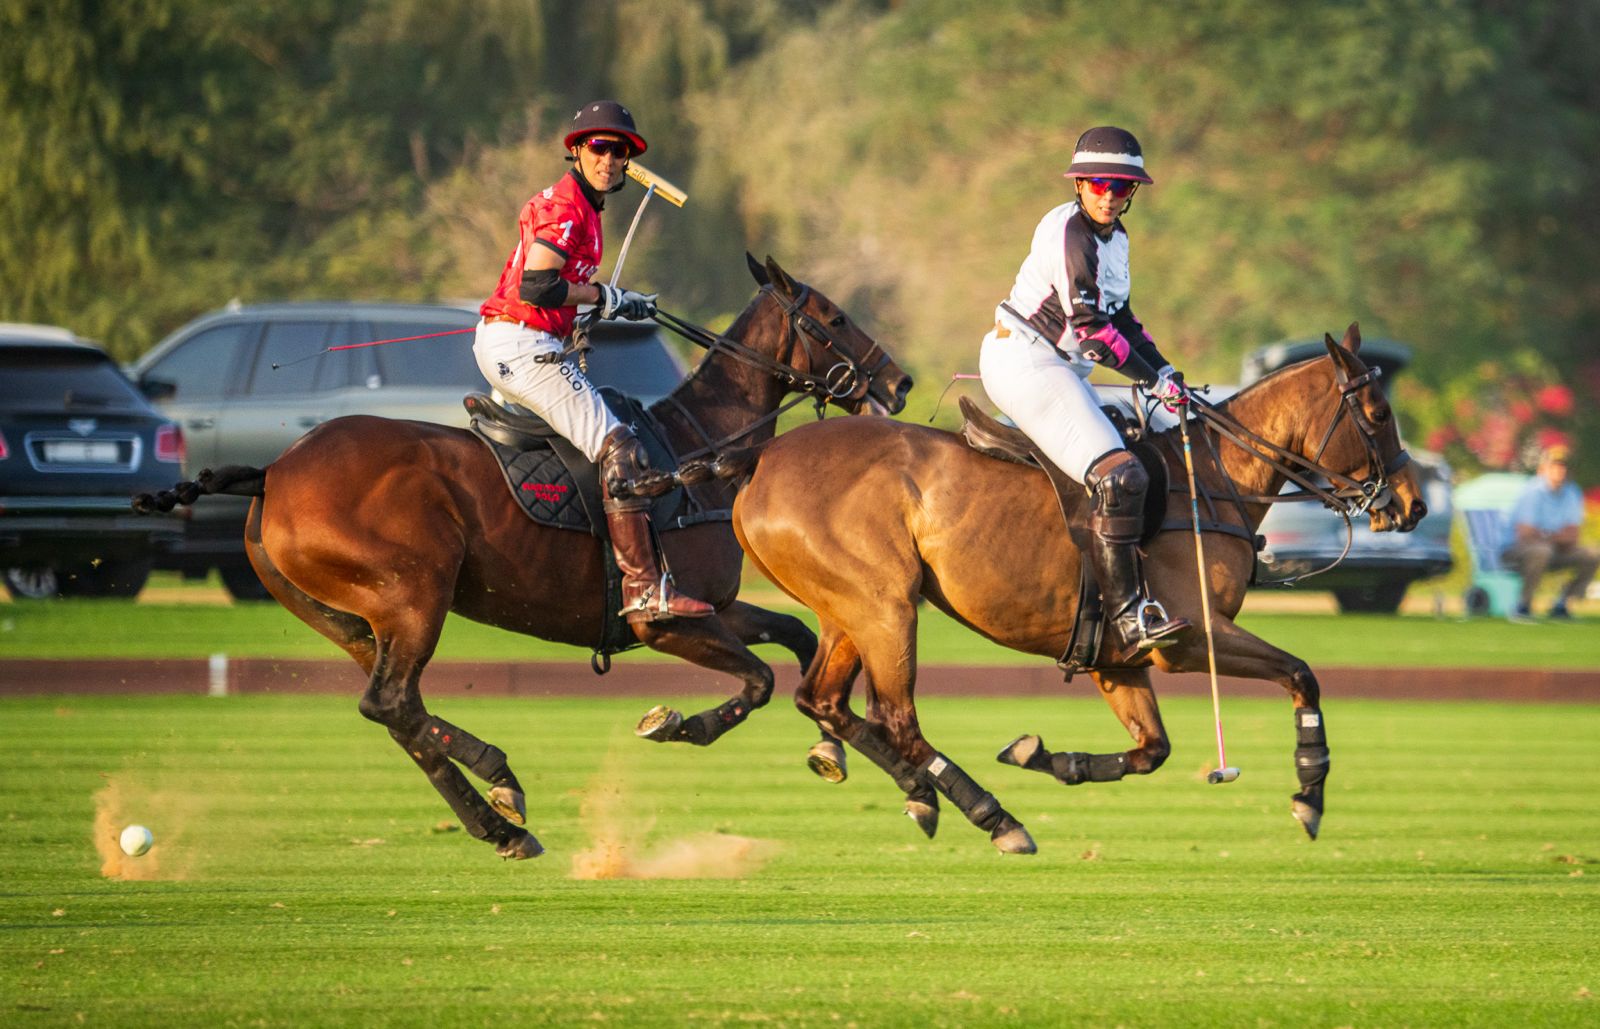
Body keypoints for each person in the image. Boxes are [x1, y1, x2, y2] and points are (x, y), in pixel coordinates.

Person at [474, 100, 713, 623]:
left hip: (526, 340)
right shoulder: (566, 207)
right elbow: (538, 285)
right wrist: (606, 298)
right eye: (600, 147)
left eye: (620, 151)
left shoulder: (585, 208)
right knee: (620, 448)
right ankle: (643, 588)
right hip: (521, 343)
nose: (609, 159)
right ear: (578, 150)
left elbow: (552, 290)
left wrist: (596, 309)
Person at [978, 125, 1191, 661]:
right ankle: (1129, 617)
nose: (1109, 196)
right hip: (1027, 359)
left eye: (1122, 187)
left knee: (1146, 443)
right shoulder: (1071, 234)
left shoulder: (1115, 239)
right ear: (1079, 185)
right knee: (1121, 474)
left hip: (1059, 366)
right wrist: (1150, 379)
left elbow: (1123, 319)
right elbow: (1096, 337)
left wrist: (1166, 370)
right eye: (1098, 183)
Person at [1502, 444, 1597, 620]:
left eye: (1563, 466)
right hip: (1516, 550)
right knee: (1541, 551)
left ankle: (1563, 603)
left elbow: (1573, 535)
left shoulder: (1571, 492)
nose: (1559, 470)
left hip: (1554, 550)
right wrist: (1555, 536)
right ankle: (1523, 605)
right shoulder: (1532, 491)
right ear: (1544, 468)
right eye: (1555, 465)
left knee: (1593, 554)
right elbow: (1525, 533)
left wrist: (1545, 535)